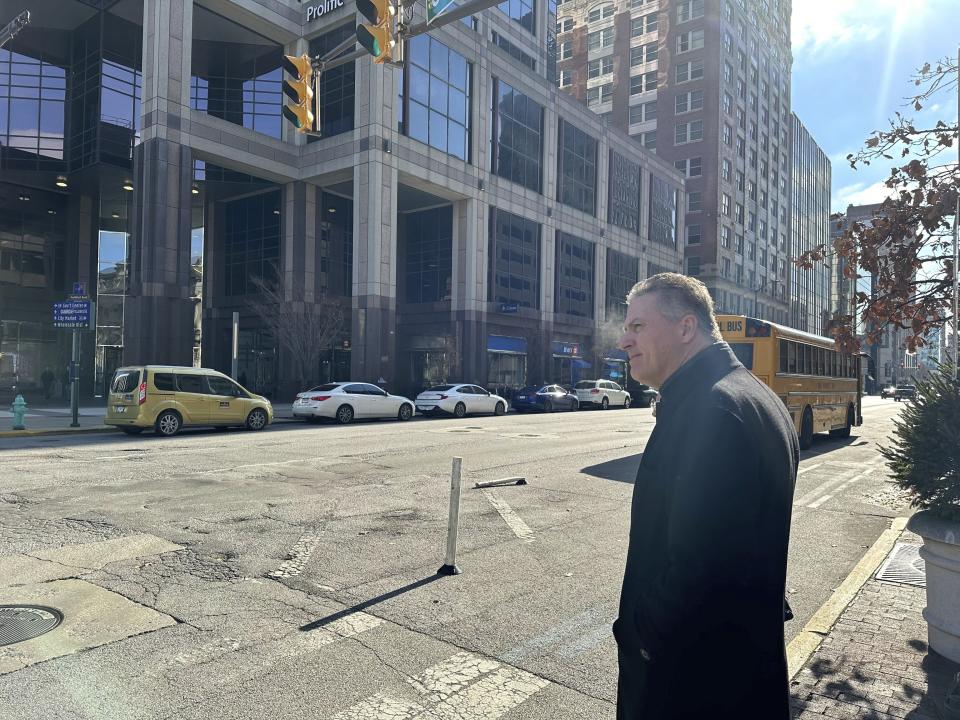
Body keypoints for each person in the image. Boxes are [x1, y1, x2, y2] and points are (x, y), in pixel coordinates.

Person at [613, 273, 798, 719]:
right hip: (741, 671)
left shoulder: (712, 410)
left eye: (638, 326)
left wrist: (640, 641)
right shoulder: (754, 396)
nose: (624, 340)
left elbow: (698, 571)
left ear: (685, 328)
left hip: (693, 687)